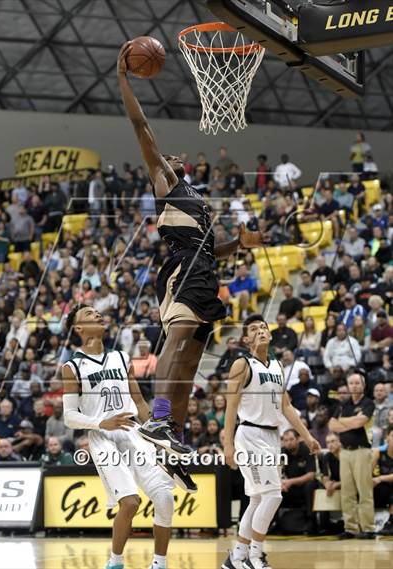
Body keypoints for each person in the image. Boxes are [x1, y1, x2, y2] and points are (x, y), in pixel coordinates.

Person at [117, 43, 261, 468]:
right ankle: (158, 420)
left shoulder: (195, 199)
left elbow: (210, 248)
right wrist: (123, 78)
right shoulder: (164, 180)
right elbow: (140, 125)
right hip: (181, 269)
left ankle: (174, 437)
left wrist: (238, 244)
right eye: (169, 155)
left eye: (178, 157)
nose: (175, 156)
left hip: (204, 269)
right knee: (176, 343)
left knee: (191, 361)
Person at [62, 305, 175, 569]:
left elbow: (138, 399)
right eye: (90, 314)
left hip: (134, 432)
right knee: (131, 502)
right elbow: (69, 416)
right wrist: (102, 422)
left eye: (98, 312)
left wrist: (159, 434)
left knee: (164, 498)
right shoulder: (72, 366)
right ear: (78, 328)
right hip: (103, 437)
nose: (98, 315)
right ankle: (115, 562)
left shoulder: (122, 358)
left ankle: (159, 563)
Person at [222, 314, 320, 569]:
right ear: (246, 339)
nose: (260, 331)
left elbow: (286, 406)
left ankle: (237, 558)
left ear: (271, 334)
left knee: (257, 499)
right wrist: (228, 445)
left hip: (271, 436)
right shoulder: (242, 364)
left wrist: (307, 437)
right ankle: (255, 556)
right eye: (254, 329)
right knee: (273, 495)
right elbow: (230, 406)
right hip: (250, 434)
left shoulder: (276, 367)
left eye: (263, 328)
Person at [329, 372, 375, 538]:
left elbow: (361, 422)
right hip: (345, 452)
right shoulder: (343, 404)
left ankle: (368, 528)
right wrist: (352, 422)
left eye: (357, 383)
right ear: (348, 386)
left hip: (362, 451)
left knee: (364, 491)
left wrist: (344, 422)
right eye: (351, 383)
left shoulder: (368, 403)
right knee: (347, 492)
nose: (354, 386)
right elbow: (332, 425)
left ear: (363, 385)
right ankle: (350, 528)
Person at [372, 425, 393, 535]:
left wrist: (380, 478)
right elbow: (367, 472)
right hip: (379, 490)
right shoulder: (378, 453)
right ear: (387, 438)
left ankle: (390, 522)